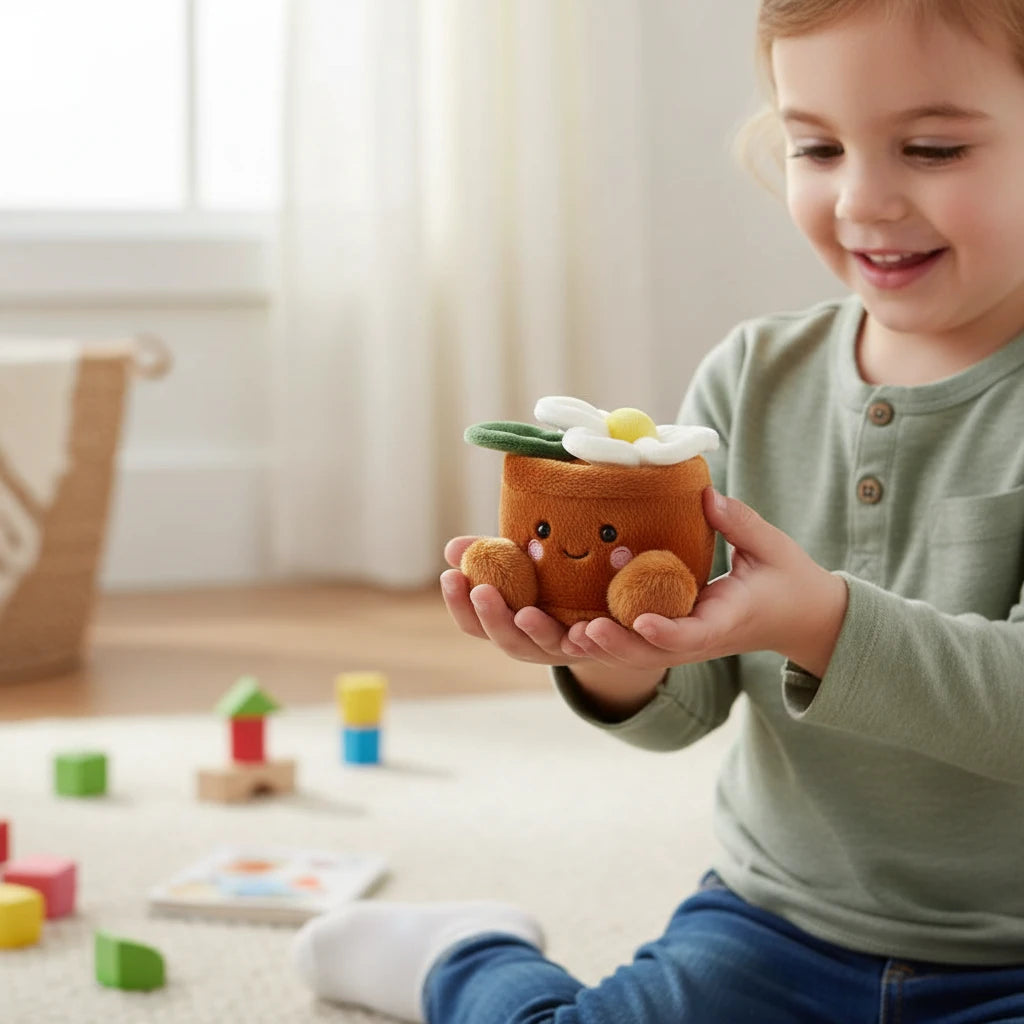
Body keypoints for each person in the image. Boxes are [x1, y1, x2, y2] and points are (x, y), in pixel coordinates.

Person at [290, 0, 1024, 1020]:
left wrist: (818, 621)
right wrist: (615, 652)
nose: (861, 199)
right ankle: (463, 957)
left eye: (932, 148)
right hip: (777, 921)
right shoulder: (750, 380)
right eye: (814, 145)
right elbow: (691, 703)